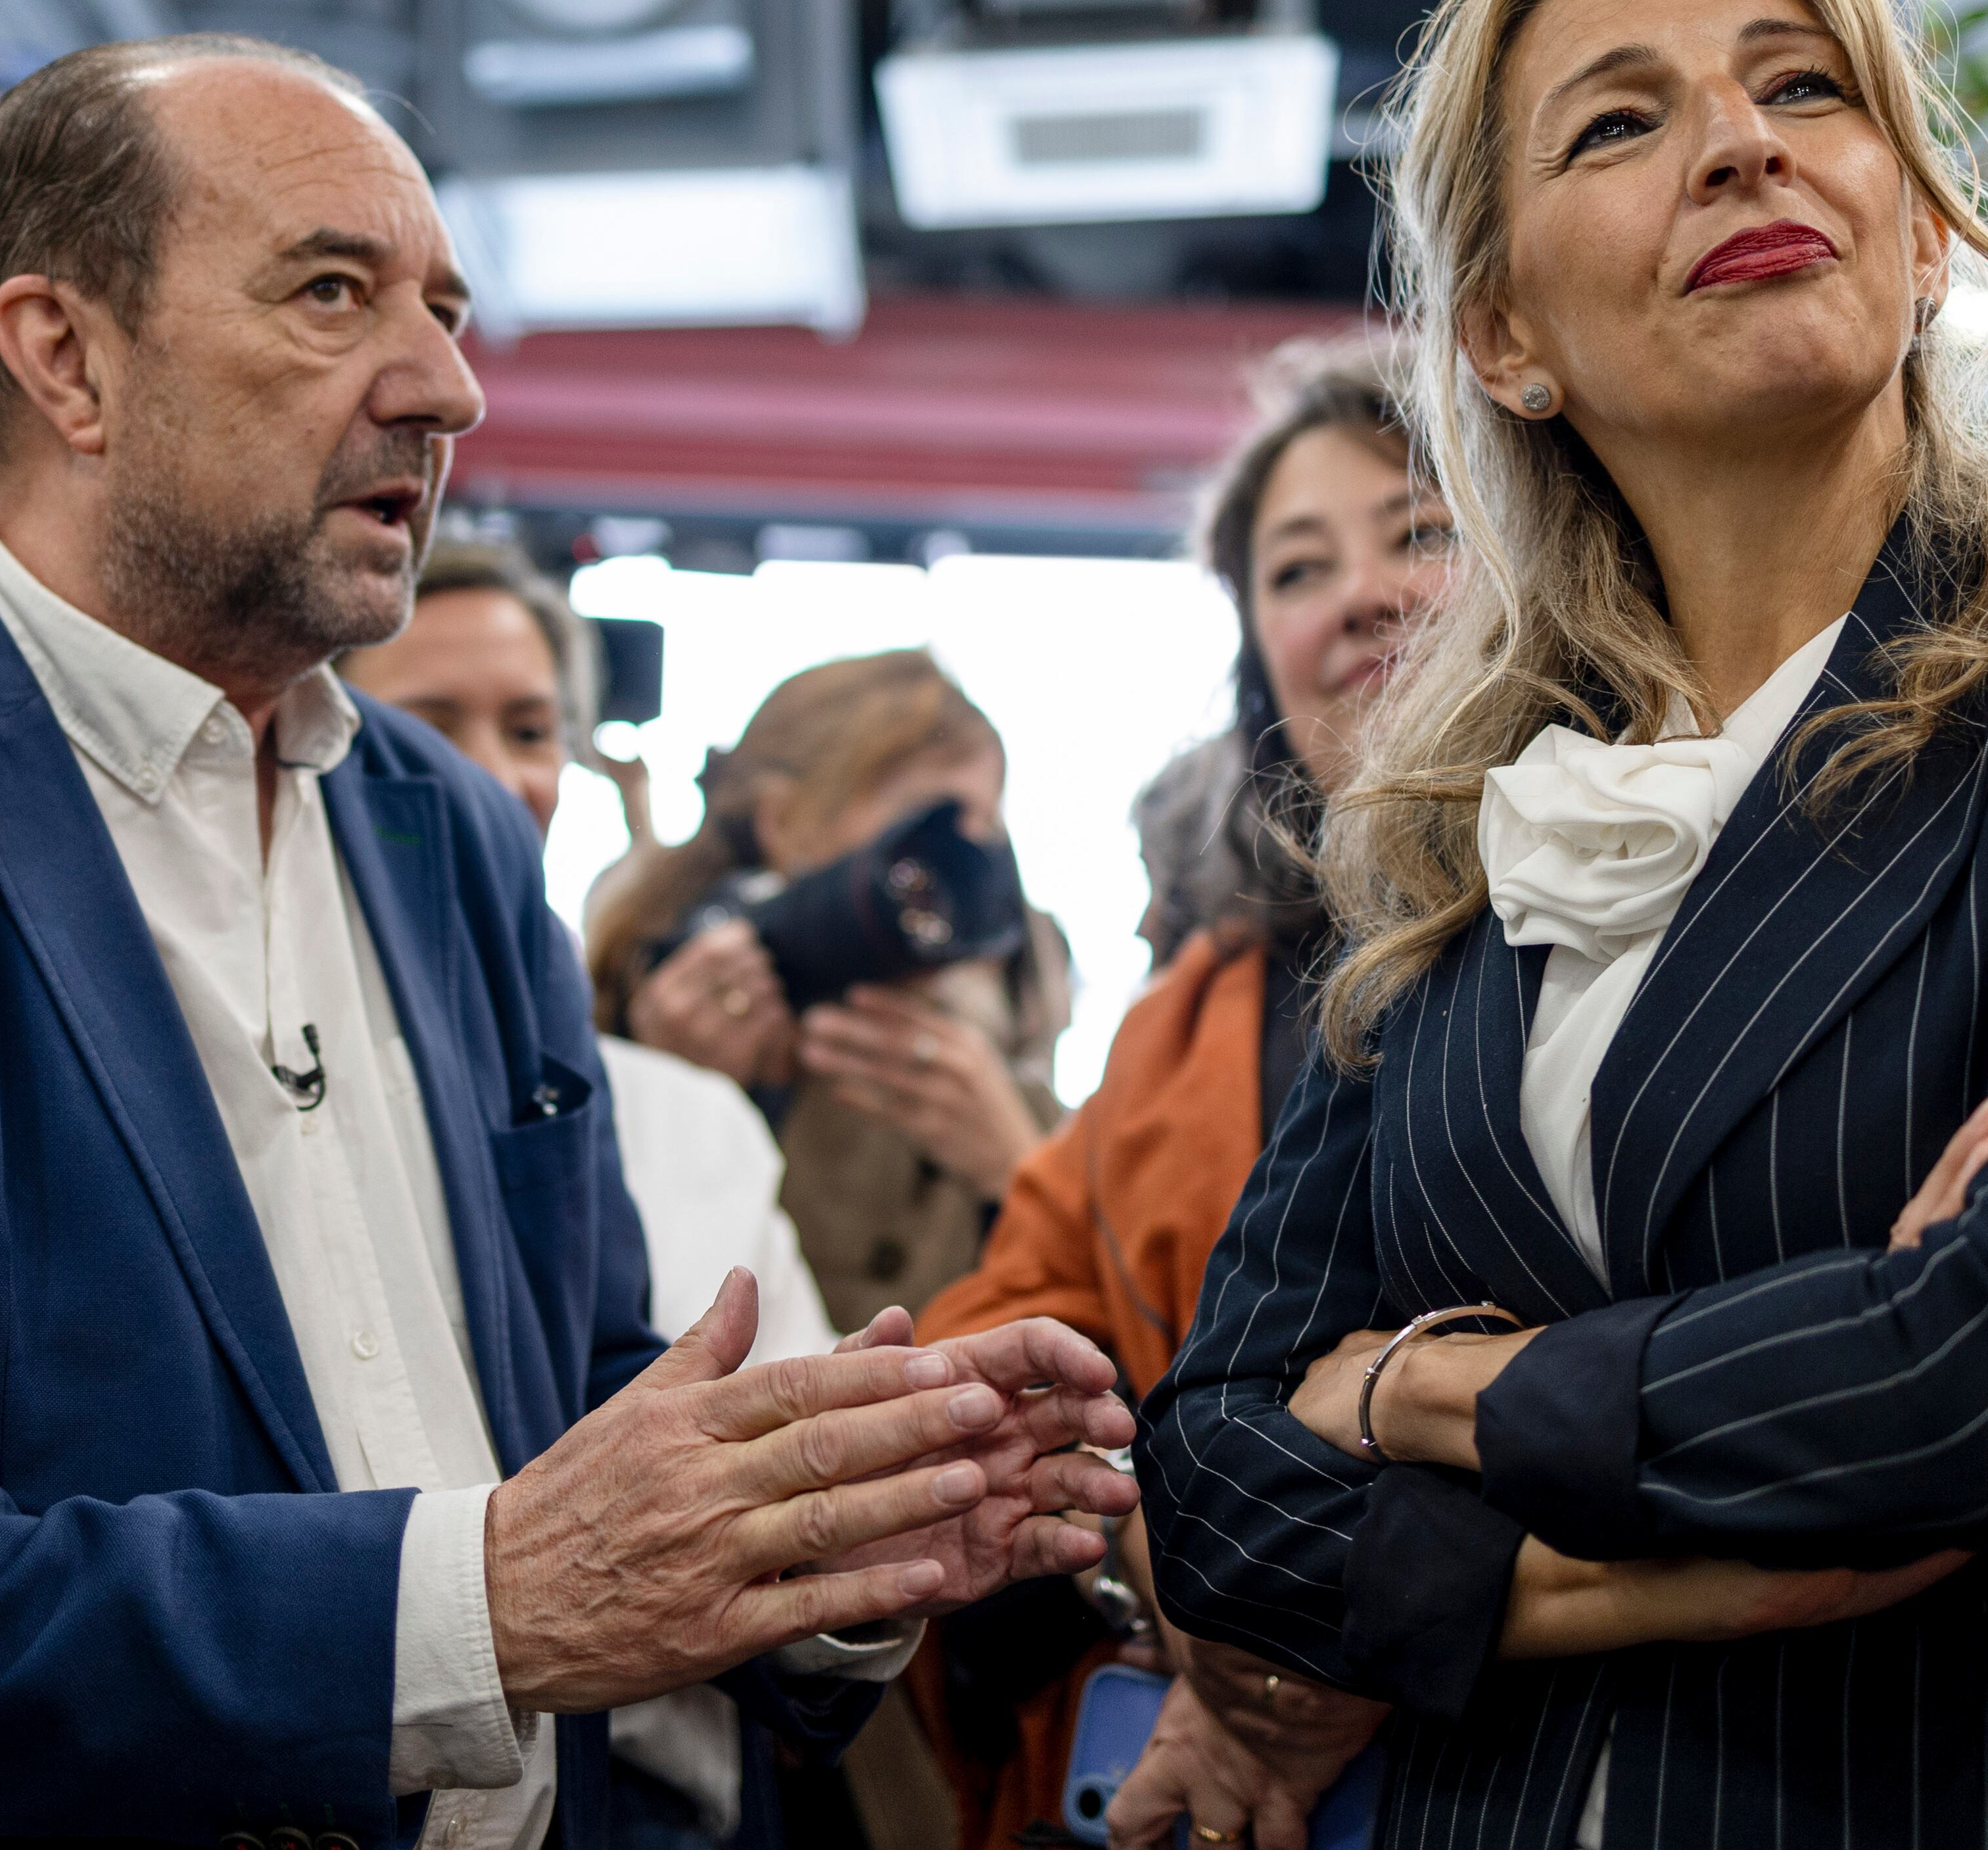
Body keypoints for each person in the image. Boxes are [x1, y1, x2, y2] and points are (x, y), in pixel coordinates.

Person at [0, 30, 1135, 1850]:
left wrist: (821, 1510)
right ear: (66, 356)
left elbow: (569, 1389)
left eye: (448, 311)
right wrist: (492, 1598)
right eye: (332, 293)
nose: (449, 387)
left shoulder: (449, 830)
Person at [1141, 0, 1988, 1846]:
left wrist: (1418, 1396)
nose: (1742, 141)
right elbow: (1207, 1474)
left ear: (1908, 242)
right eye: (1617, 122)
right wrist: (1667, 1575)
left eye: (1803, 89)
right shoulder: (1459, 825)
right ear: (1507, 336)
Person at [910, 339, 1444, 1850]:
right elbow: (989, 1346)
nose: (1357, 598)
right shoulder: (1187, 1016)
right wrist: (1164, 1569)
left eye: (1421, 532)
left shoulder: (1671, 916)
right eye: (1293, 569)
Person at [343, 539, 841, 1850]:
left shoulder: (687, 1119)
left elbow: (780, 1469)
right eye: (426, 721)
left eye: (529, 726)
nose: (491, 772)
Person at [590, 653, 1070, 1335]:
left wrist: (1019, 1175)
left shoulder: (1001, 1084)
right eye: (927, 822)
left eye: (982, 832)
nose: (960, 869)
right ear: (782, 824)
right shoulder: (631, 1037)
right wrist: (678, 1107)